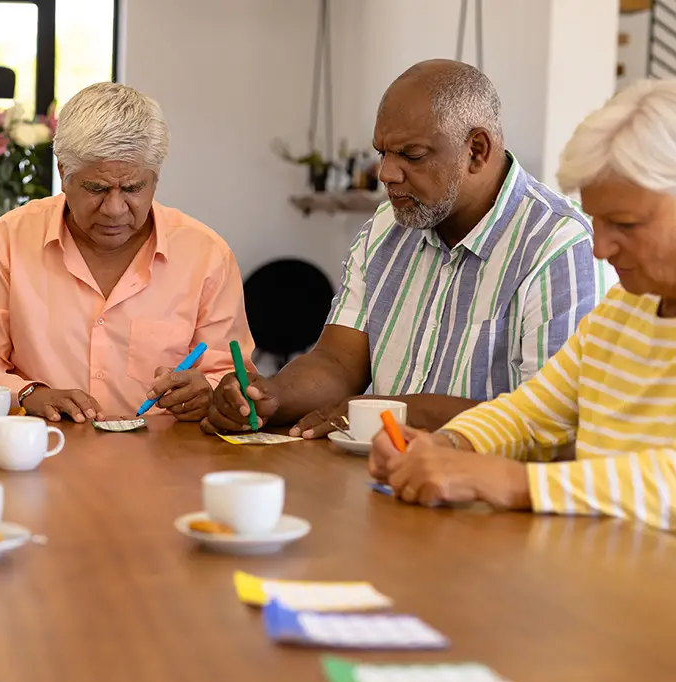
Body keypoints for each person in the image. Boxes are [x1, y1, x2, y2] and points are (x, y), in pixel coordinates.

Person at [206, 60, 616, 437]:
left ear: (476, 150)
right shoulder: (386, 228)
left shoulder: (560, 246)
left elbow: (555, 420)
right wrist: (273, 396)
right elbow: (336, 362)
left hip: (487, 501)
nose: (386, 173)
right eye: (382, 152)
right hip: (384, 481)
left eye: (411, 155)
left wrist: (396, 410)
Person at [367, 79, 676, 532]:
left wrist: (517, 483)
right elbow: (530, 414)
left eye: (625, 224)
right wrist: (448, 446)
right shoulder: (622, 312)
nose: (601, 247)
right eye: (597, 221)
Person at [0, 82, 255, 422]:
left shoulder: (206, 255)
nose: (114, 209)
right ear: (63, 173)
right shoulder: (10, 241)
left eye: (133, 188)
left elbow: (231, 375)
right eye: (97, 188)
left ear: (156, 178)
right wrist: (29, 395)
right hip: (41, 454)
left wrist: (209, 392)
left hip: (164, 462)